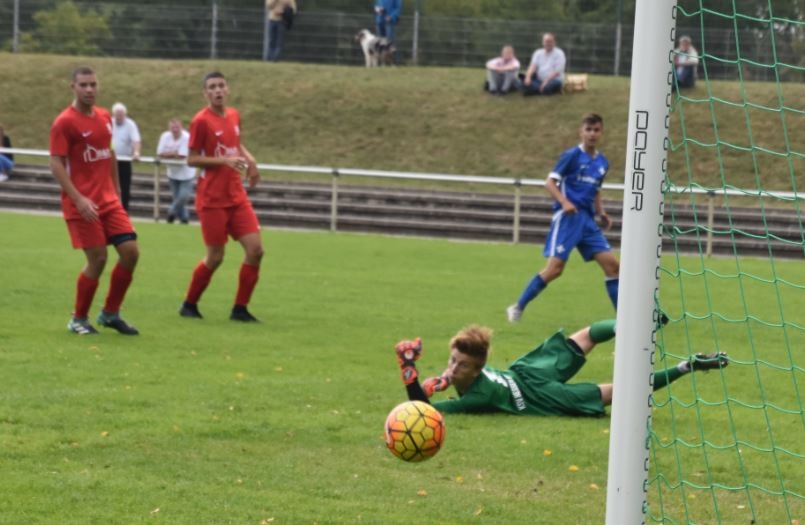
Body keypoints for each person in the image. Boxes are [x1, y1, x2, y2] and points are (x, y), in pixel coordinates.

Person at [394, 319, 729, 416]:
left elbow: (424, 410)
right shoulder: (465, 378)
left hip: (536, 393)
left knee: (609, 380)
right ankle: (687, 365)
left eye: (461, 364)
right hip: (525, 372)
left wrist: (408, 370)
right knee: (603, 369)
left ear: (477, 369)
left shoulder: (478, 397)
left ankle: (635, 323)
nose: (453, 368)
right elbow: (430, 391)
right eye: (453, 360)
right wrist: (426, 379)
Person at [49, 66, 140, 336]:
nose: (89, 89)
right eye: (83, 85)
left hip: (109, 201)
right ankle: (78, 319)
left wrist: (118, 192)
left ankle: (110, 313)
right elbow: (56, 163)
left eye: (93, 84)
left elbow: (109, 154)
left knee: (131, 253)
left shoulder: (104, 117)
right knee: (98, 259)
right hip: (82, 205)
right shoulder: (64, 122)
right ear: (73, 87)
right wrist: (78, 199)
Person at [507, 113, 619, 322]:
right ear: (581, 132)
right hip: (568, 219)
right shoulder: (571, 156)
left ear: (602, 132)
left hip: (587, 221)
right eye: (588, 129)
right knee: (555, 269)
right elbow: (550, 182)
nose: (592, 134)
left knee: (613, 267)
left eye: (596, 130)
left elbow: (596, 190)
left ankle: (623, 319)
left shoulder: (602, 162)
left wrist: (601, 212)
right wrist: (564, 202)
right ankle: (518, 306)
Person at [180, 71, 264, 322]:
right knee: (215, 257)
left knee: (256, 250)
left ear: (227, 89)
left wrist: (250, 160)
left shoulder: (234, 115)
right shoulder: (201, 121)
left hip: (236, 196)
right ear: (205, 93)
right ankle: (189, 304)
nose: (217, 90)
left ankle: (240, 309)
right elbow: (192, 158)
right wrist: (224, 161)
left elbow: (235, 144)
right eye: (212, 87)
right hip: (212, 200)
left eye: (221, 86)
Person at [156, 118, 196, 224]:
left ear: (181, 127)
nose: (175, 129)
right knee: (177, 198)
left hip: (186, 174)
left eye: (177, 127)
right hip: (172, 173)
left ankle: (171, 213)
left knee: (182, 197)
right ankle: (184, 219)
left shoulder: (186, 137)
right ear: (169, 128)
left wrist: (168, 154)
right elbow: (159, 153)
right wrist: (174, 153)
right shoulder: (165, 136)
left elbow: (182, 155)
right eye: (173, 127)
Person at [111, 102, 141, 211]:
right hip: (110, 160)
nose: (119, 117)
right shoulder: (109, 122)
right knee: (110, 186)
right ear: (113, 114)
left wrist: (136, 152)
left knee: (124, 187)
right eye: (117, 114)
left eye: (121, 114)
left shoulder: (130, 124)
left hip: (124, 161)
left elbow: (136, 140)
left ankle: (123, 210)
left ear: (125, 115)